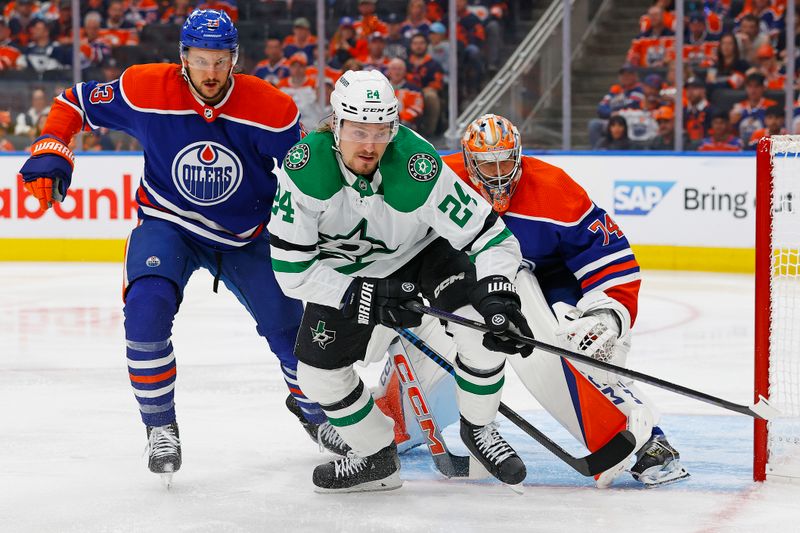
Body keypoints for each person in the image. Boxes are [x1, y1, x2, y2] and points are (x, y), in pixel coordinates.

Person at [18, 9, 345, 485]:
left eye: (220, 60)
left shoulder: (270, 108)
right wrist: (51, 147)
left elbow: (307, 174)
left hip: (246, 236)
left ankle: (318, 414)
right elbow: (75, 102)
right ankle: (159, 426)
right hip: (167, 225)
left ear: (235, 58)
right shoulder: (145, 89)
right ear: (183, 57)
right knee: (146, 309)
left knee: (290, 330)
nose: (210, 72)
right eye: (200, 59)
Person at [377, 113, 690, 488]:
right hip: (458, 287)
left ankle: (643, 438)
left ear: (519, 156)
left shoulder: (555, 190)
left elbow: (612, 259)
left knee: (572, 344)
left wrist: (607, 314)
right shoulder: (439, 181)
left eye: (505, 161)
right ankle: (383, 424)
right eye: (486, 164)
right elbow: (393, 246)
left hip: (544, 288)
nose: (496, 173)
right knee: (426, 346)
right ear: (467, 160)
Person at [267, 70, 533, 493]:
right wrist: (361, 295)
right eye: (357, 131)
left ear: (394, 128)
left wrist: (500, 293)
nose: (370, 145)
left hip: (423, 255)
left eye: (381, 131)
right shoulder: (304, 171)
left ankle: (478, 428)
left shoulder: (415, 164)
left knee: (479, 329)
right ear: (335, 125)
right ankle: (377, 456)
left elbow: (491, 237)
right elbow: (291, 271)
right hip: (349, 276)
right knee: (317, 377)